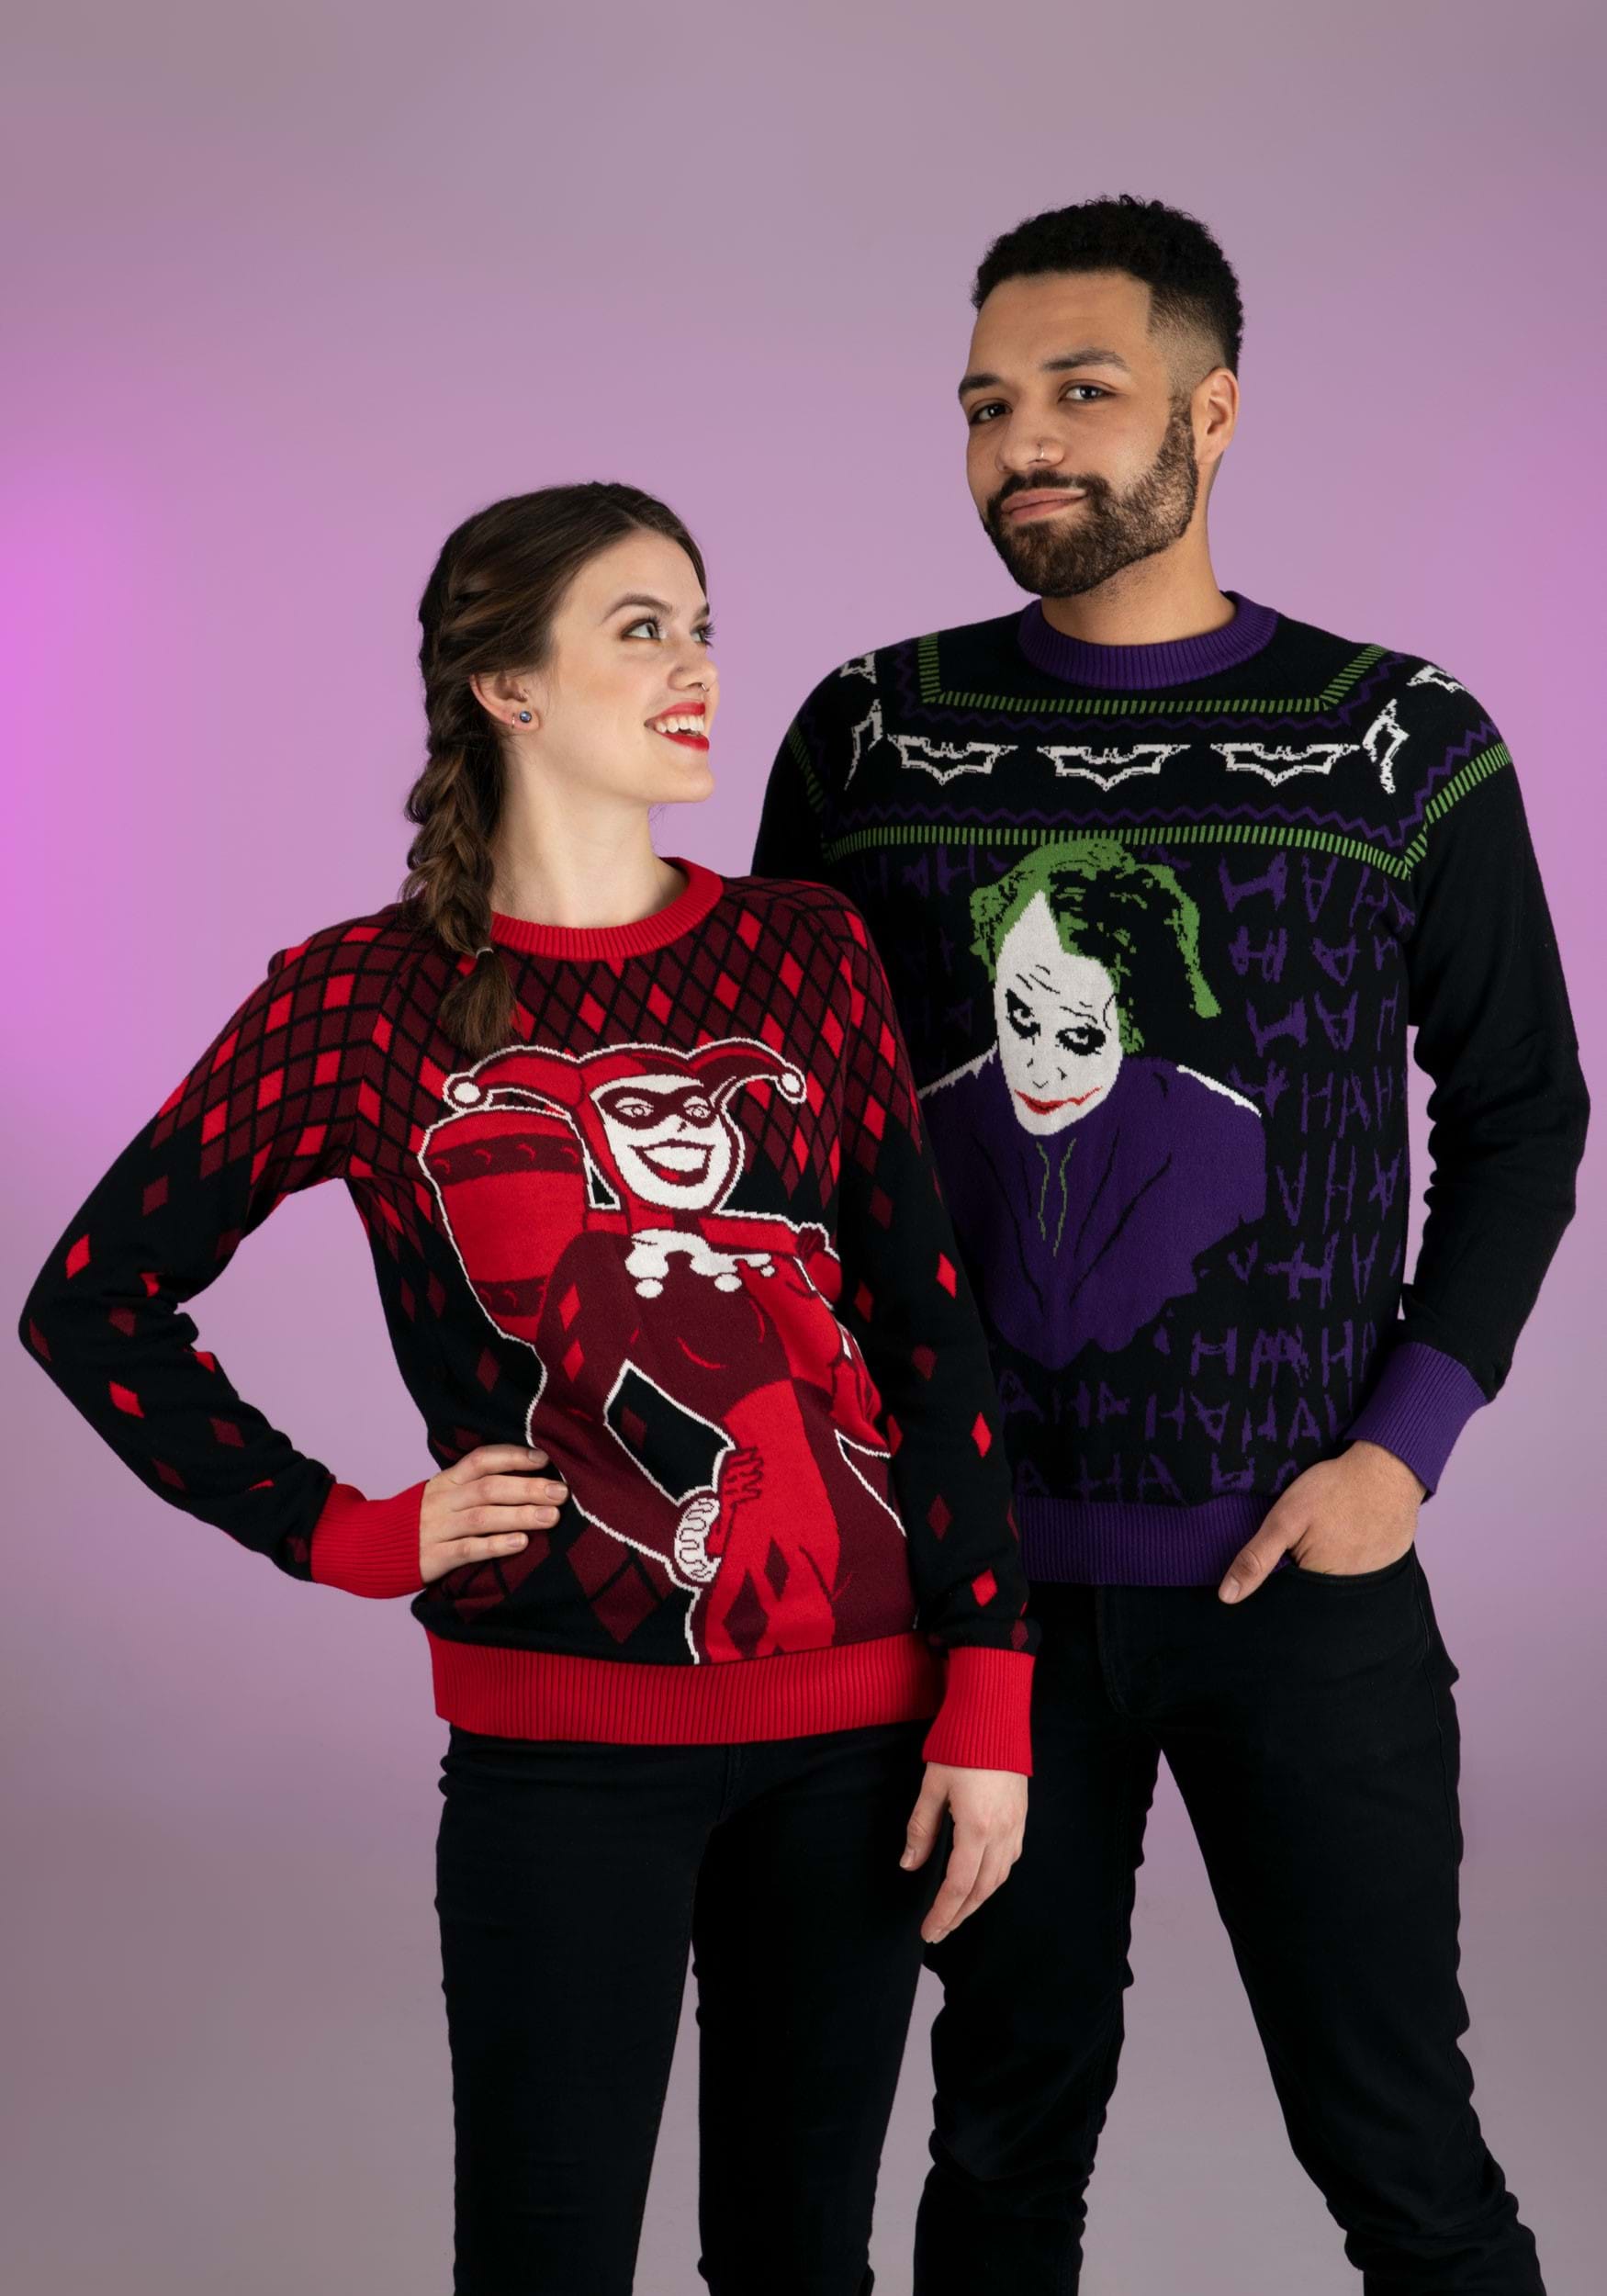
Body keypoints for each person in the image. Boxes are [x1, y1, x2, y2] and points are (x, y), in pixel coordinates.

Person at [17, 480, 1039, 2296]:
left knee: (802, 2260)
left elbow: (923, 1326)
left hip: (857, 1730)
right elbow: (92, 1302)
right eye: (641, 629)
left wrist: (989, 1684)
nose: (696, 666)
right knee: (543, 2261)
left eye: (702, 626)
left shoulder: (806, 949)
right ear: (506, 685)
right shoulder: (361, 1000)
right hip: (561, 1750)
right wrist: (341, 1530)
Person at [752, 196, 1590, 2292]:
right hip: (974, 1604)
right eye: (984, 406)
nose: (1022, 442)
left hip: (1299, 1580)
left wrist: (1397, 1450)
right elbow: (785, 1131)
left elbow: (1520, 1112)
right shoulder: (867, 737)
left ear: (1210, 416)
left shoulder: (1395, 741)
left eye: (1080, 392)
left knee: (1401, 2152)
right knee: (999, 2133)